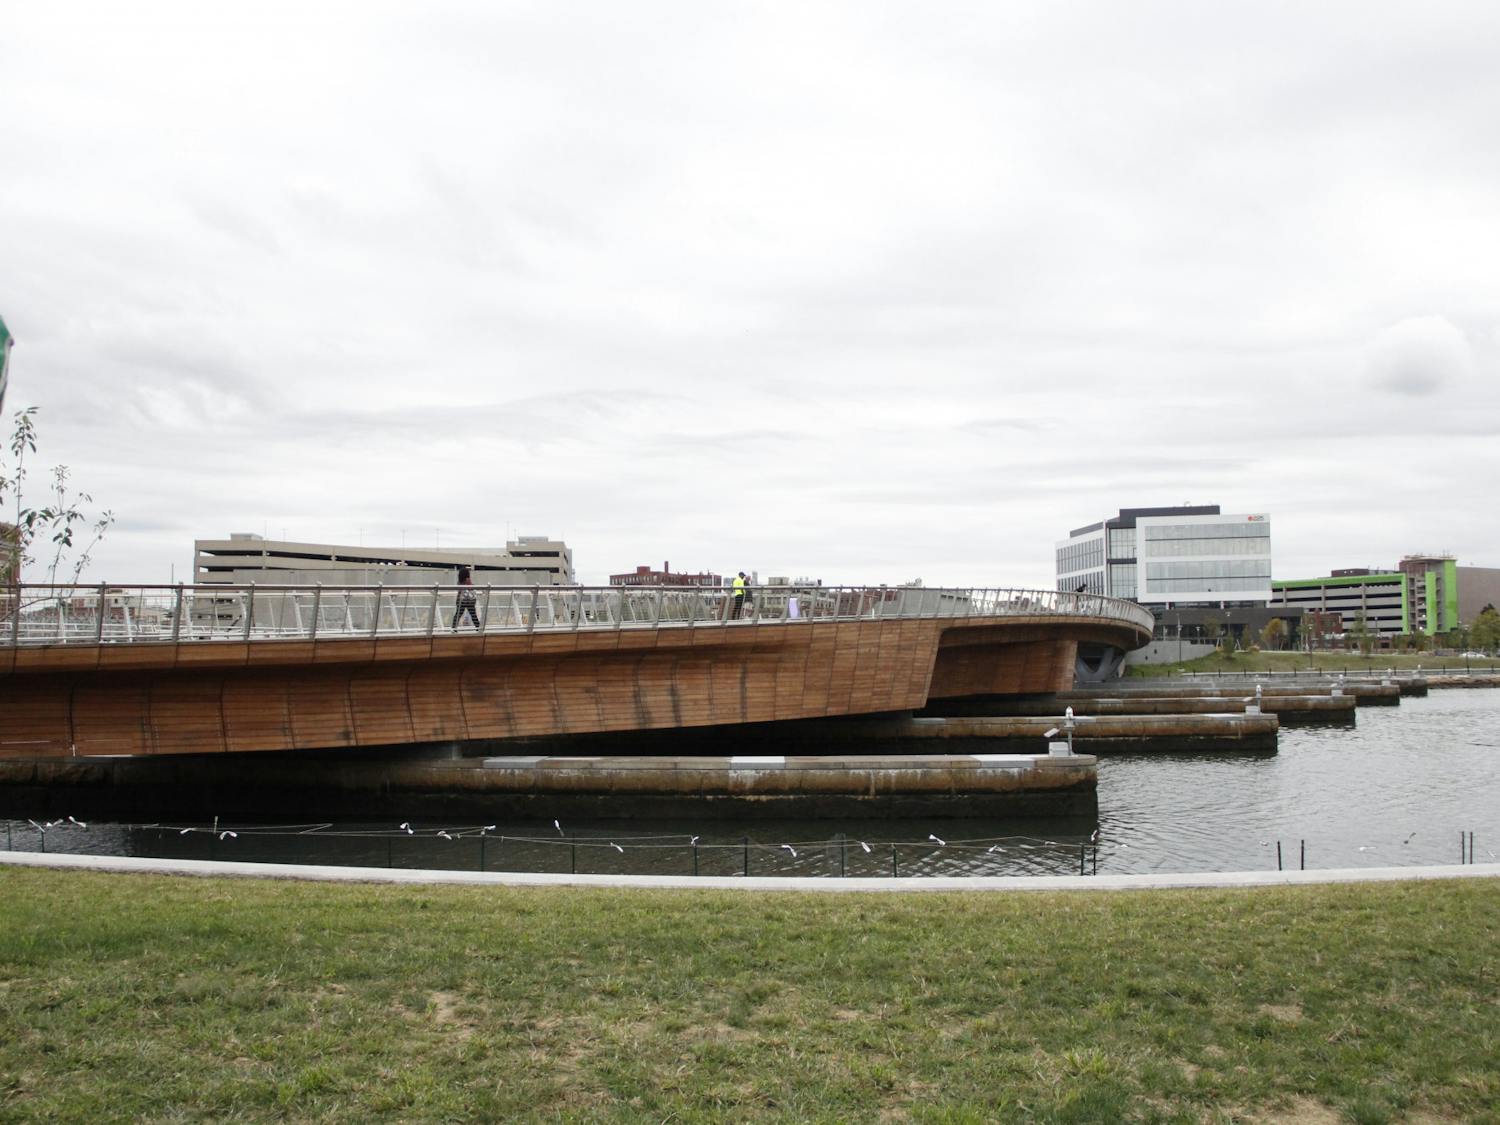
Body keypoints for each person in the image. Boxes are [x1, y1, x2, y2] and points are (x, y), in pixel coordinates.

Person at [452, 565, 481, 631]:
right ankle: (478, 628)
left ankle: (453, 628)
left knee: (457, 615)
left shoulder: (459, 581)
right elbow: (471, 588)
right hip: (469, 601)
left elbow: (459, 590)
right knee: (473, 615)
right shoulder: (468, 580)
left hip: (461, 600)